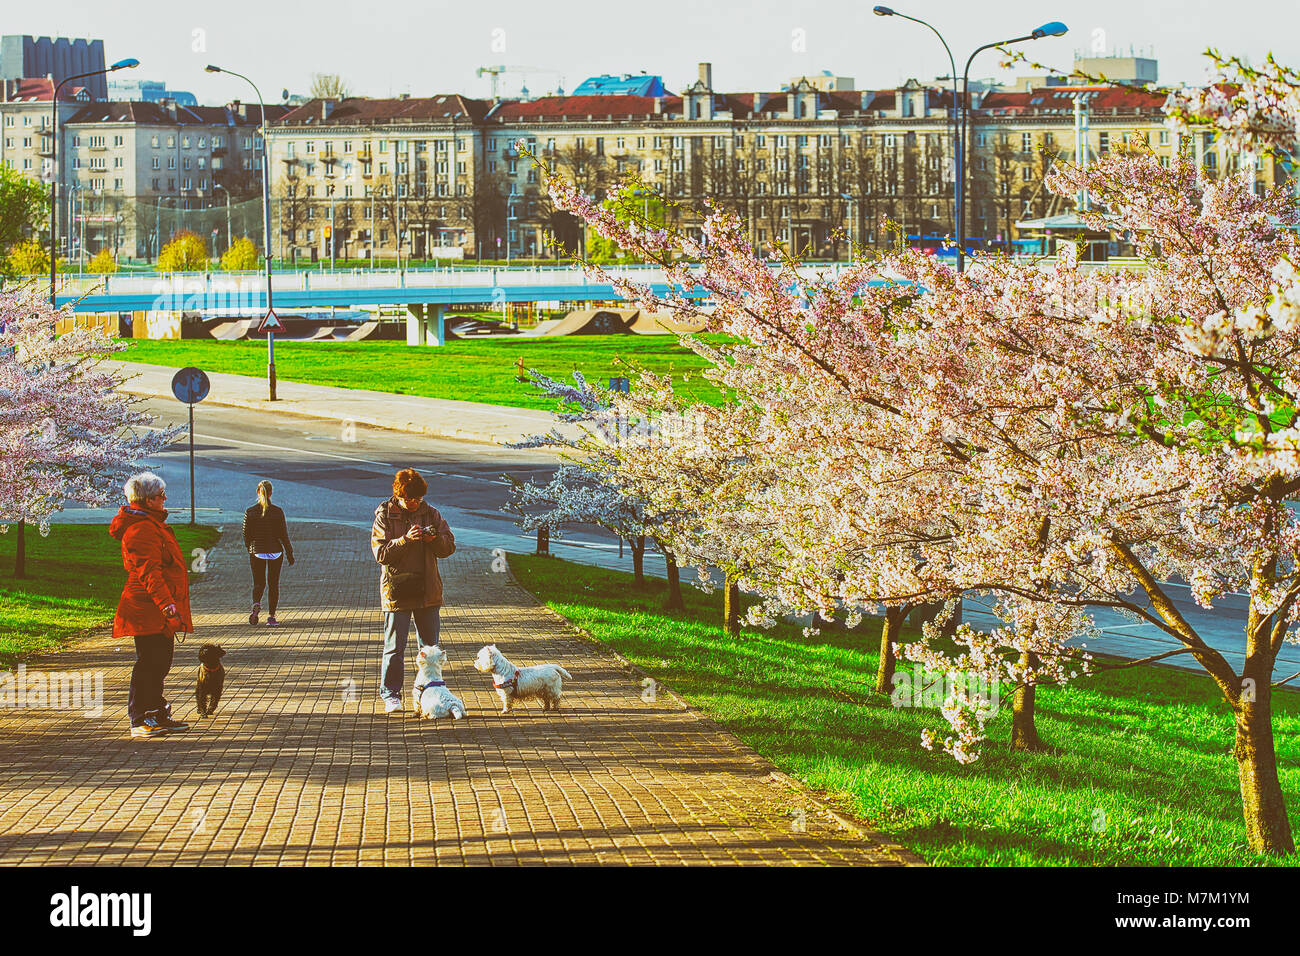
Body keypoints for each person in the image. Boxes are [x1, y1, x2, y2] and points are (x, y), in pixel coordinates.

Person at [110, 472, 193, 739]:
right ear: (146, 500)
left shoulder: (151, 524)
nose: (165, 499)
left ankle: (156, 711)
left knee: (161, 662)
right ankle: (139, 717)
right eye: (160, 496)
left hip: (155, 605)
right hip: (146, 607)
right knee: (150, 662)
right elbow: (149, 573)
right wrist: (167, 604)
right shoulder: (141, 529)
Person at [371, 468, 456, 714]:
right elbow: (380, 553)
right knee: (394, 648)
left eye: (417, 498)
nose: (414, 503)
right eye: (409, 499)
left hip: (427, 590)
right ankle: (391, 694)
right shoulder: (385, 516)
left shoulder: (430, 514)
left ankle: (432, 691)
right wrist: (405, 540)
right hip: (397, 590)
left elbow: (449, 546)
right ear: (399, 495)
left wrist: (434, 540)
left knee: (431, 649)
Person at [242, 480, 295, 626]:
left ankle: (256, 604)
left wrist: (250, 548)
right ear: (271, 493)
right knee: (273, 584)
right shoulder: (277, 512)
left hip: (257, 551)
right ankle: (271, 617)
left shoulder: (250, 512)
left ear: (257, 492)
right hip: (275, 552)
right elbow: (283, 535)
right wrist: (290, 553)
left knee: (258, 583)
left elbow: (246, 535)